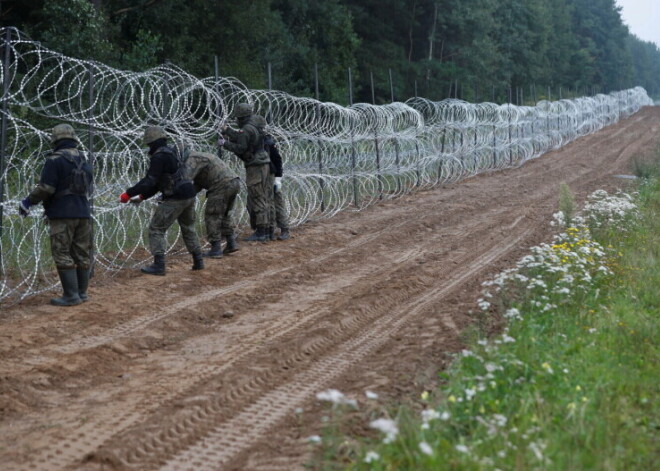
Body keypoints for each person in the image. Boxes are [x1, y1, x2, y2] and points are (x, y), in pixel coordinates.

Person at [18, 123, 93, 306]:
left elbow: (47, 188)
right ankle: (81, 293)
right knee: (82, 253)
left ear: (55, 140)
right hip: (83, 212)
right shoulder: (84, 160)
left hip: (62, 213)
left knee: (61, 252)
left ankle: (70, 295)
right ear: (73, 139)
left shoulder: (55, 160)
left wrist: (28, 202)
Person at [119, 126, 204, 275]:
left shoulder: (159, 157)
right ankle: (198, 260)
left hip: (176, 197)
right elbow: (161, 182)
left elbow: (149, 181)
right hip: (189, 194)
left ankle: (159, 265)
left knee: (156, 229)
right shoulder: (171, 153)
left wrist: (128, 193)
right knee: (188, 227)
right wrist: (142, 197)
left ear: (151, 142)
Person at [220, 103, 272, 242]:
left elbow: (241, 148)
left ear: (241, 117)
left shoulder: (247, 129)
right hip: (263, 163)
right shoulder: (254, 125)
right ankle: (267, 230)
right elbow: (240, 136)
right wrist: (228, 130)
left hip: (255, 166)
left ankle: (261, 232)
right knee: (263, 196)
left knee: (257, 196)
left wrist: (224, 144)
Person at [183, 147, 241, 257]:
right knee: (225, 215)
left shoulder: (192, 159)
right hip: (234, 182)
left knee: (212, 216)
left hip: (221, 185)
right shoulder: (201, 155)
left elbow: (186, 179)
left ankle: (216, 248)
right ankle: (231, 243)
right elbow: (198, 184)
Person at [261, 124, 291, 241]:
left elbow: (277, 159)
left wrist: (278, 178)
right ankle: (270, 230)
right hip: (263, 177)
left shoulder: (268, 142)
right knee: (267, 203)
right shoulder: (257, 142)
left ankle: (284, 229)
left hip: (272, 176)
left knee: (277, 202)